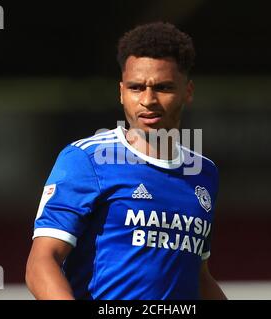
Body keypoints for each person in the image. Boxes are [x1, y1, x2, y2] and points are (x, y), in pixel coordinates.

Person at [25, 21, 226, 300]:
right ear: (121, 92)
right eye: (135, 87)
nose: (148, 100)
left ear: (187, 91)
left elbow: (199, 276)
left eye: (163, 88)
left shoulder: (204, 173)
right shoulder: (86, 159)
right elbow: (41, 262)